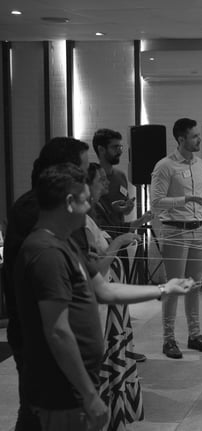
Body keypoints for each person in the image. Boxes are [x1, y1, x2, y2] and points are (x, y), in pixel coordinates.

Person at [14, 163, 194, 431]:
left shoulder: (65, 242)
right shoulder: (46, 254)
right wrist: (88, 395)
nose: (90, 208)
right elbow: (58, 332)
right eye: (86, 200)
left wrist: (164, 289)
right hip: (59, 393)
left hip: (75, 389)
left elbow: (104, 290)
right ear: (69, 203)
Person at [2, 137, 90, 431]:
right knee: (38, 414)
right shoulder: (41, 227)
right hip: (41, 342)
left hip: (49, 339)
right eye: (83, 172)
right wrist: (91, 397)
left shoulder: (51, 223)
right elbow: (55, 323)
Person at [150, 118, 202, 359]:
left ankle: (195, 335)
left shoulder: (200, 164)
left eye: (198, 135)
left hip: (198, 230)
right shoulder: (164, 166)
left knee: (194, 285)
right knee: (174, 286)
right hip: (175, 230)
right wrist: (185, 200)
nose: (199, 140)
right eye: (194, 136)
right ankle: (168, 339)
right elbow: (156, 202)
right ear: (181, 139)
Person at [84, 163, 147, 431]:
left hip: (111, 305)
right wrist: (119, 242)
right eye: (100, 181)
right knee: (104, 365)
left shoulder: (90, 216)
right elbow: (97, 268)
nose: (106, 185)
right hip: (102, 306)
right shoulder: (83, 222)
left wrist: (133, 225)